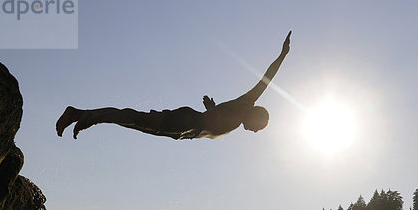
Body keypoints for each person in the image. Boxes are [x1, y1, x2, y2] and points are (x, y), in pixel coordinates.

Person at [56, 31, 291, 140]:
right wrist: (282, 55)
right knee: (133, 118)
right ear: (255, 116)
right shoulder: (247, 103)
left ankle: (78, 114)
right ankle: (88, 116)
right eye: (259, 127)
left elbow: (216, 118)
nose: (256, 132)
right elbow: (266, 80)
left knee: (133, 121)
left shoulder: (237, 117)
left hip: (184, 127)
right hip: (184, 123)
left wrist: (212, 107)